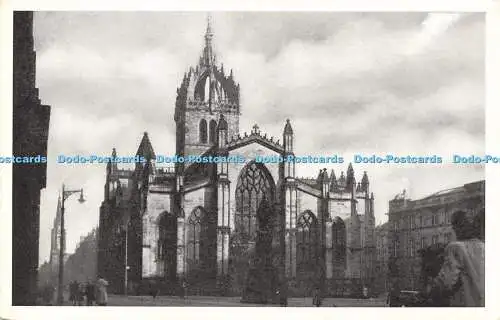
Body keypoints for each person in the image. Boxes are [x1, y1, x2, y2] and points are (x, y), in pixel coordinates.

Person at [431, 210, 484, 307]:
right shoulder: (485, 247)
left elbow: (445, 283)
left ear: (458, 228)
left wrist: (431, 288)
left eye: (454, 226)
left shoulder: (455, 248)